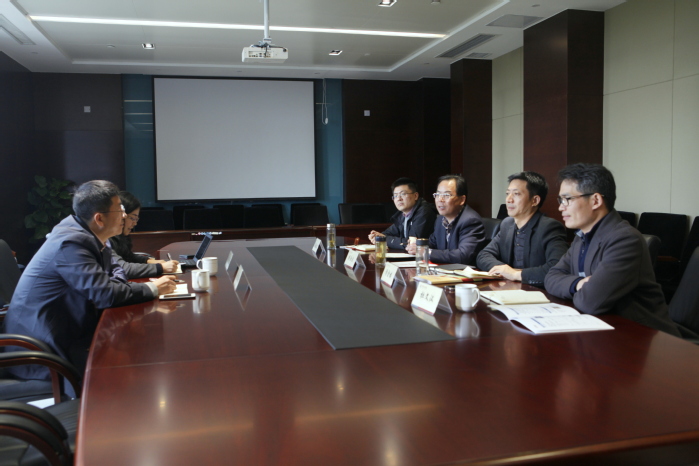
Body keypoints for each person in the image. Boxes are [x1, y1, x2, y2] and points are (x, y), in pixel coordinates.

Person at [5, 180, 177, 387]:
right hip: (42, 348)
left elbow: (116, 272)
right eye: (119, 210)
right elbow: (106, 294)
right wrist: (152, 288)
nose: (124, 215)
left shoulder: (89, 235)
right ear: (99, 218)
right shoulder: (71, 242)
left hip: (69, 329)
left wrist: (113, 284)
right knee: (128, 372)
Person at [544, 164, 679, 336]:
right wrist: (578, 283)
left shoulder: (625, 239)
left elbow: (590, 301)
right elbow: (551, 277)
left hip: (642, 337)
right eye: (561, 200)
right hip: (603, 329)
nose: (560, 207)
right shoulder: (582, 236)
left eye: (567, 199)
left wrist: (579, 288)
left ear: (595, 201)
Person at [476, 171, 568, 286]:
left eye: (516, 194)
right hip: (508, 288)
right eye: (507, 193)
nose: (509, 199)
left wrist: (516, 274)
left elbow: (557, 268)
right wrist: (503, 270)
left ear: (534, 200)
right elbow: (484, 255)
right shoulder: (507, 224)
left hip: (537, 291)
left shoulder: (549, 227)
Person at [407, 175, 485, 264]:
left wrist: (426, 252)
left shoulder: (471, 221)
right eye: (438, 194)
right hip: (444, 269)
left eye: (446, 195)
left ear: (462, 200)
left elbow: (463, 255)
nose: (440, 199)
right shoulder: (440, 219)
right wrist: (417, 245)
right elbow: (433, 243)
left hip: (463, 271)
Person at [109, 191, 179, 278]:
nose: (135, 223)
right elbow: (122, 268)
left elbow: (128, 256)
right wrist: (160, 268)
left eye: (136, 219)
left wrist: (149, 261)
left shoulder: (120, 237)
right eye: (132, 218)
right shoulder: (106, 239)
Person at [367, 177, 436, 250]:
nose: (399, 199)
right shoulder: (403, 214)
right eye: (395, 195)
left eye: (403, 194)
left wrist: (383, 239)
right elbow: (387, 233)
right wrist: (377, 236)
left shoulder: (424, 212)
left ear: (415, 196)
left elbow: (412, 243)